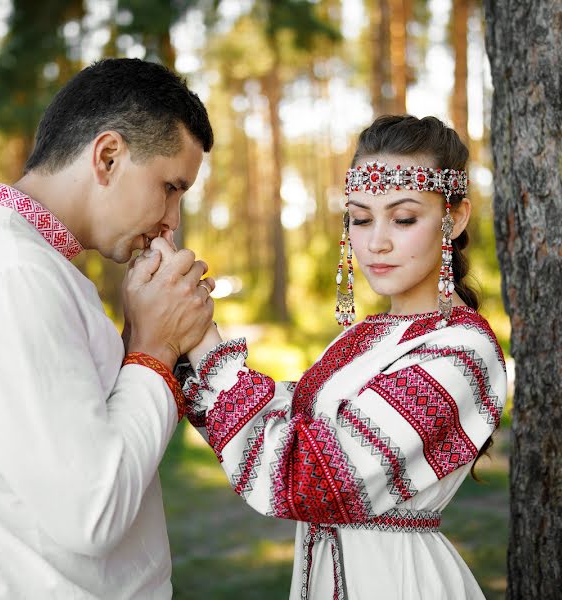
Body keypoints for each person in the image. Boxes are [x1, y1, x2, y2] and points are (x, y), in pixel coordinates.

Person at [0, 58, 216, 599]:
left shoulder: (20, 262)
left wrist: (147, 338)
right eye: (169, 186)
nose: (171, 220)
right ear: (108, 156)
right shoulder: (11, 274)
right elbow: (94, 510)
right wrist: (153, 348)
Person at [177, 115, 507, 599]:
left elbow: (306, 474)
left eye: (404, 218)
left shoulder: (463, 351)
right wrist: (188, 334)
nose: (376, 242)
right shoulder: (367, 337)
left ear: (453, 218)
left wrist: (202, 341)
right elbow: (271, 428)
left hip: (396, 583)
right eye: (361, 217)